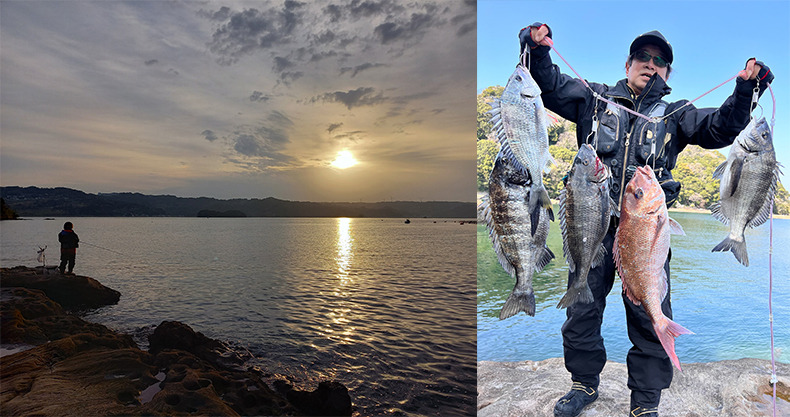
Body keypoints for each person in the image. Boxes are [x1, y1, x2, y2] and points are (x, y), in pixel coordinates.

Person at [519, 24, 773, 417]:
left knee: (649, 314)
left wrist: (746, 90)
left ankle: (645, 404)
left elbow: (721, 126)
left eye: (661, 62)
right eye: (644, 58)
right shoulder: (595, 97)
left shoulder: (677, 114)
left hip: (648, 229)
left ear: (668, 73)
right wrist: (534, 48)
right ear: (629, 62)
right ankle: (584, 385)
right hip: (595, 226)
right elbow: (550, 85)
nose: (651, 65)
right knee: (583, 310)